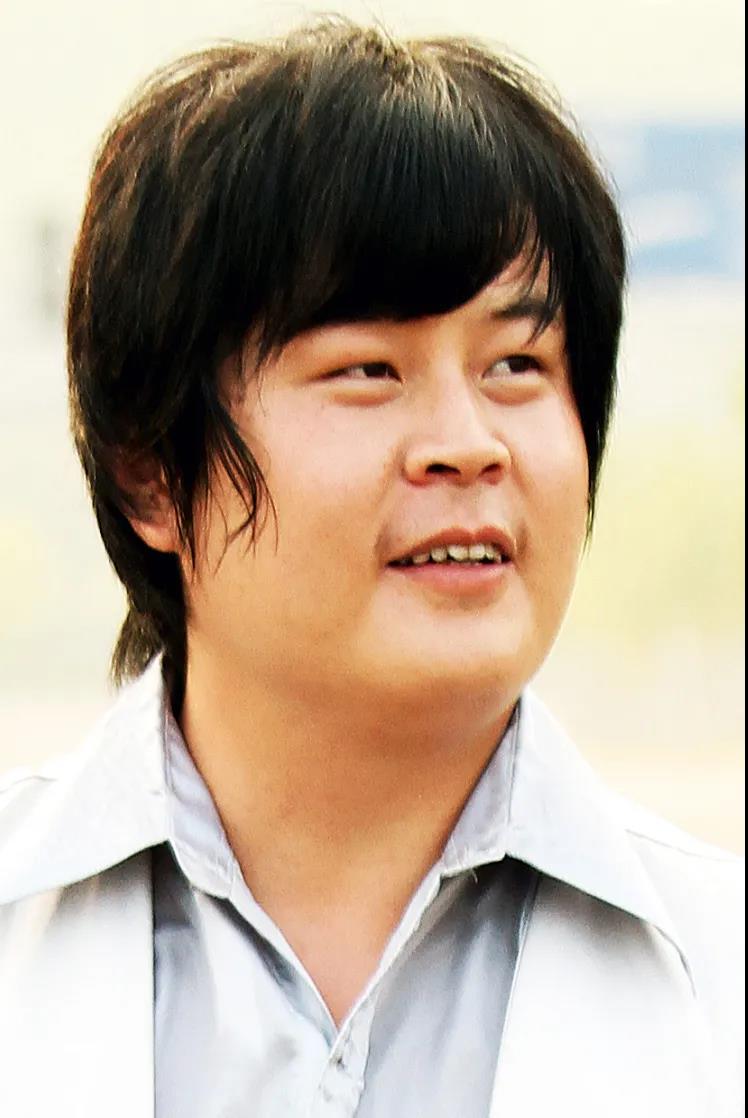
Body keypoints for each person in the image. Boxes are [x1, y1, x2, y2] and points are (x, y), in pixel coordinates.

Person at [0, 19, 742, 1118]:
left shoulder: (720, 973)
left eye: (516, 364)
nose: (469, 443)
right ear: (151, 474)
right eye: (368, 369)